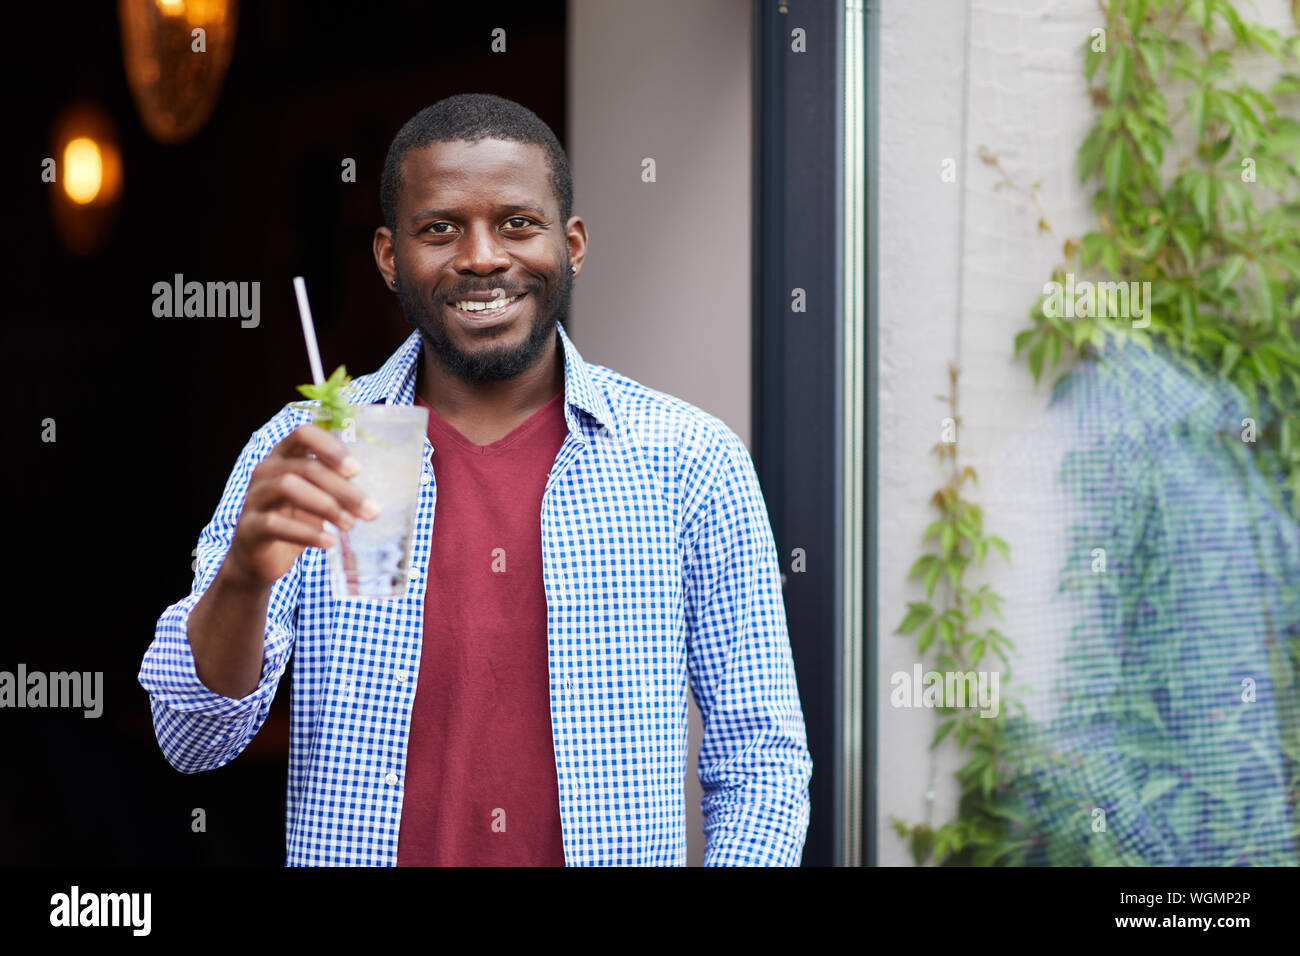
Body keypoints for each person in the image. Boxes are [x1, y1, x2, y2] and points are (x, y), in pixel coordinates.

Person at [138, 93, 812, 867]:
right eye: (440, 229)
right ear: (391, 257)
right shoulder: (311, 453)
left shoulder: (688, 461)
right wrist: (245, 580)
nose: (483, 257)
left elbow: (761, 762)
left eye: (517, 223)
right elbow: (191, 742)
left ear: (574, 244)